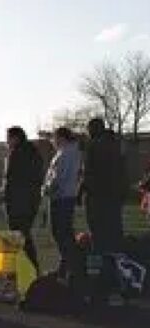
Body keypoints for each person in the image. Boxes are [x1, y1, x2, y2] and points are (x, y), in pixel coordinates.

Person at [80, 118, 126, 256]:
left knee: (98, 236)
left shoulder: (93, 145)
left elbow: (88, 172)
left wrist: (81, 191)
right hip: (115, 195)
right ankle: (119, 266)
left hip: (97, 197)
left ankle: (98, 269)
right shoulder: (117, 145)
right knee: (115, 232)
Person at [2, 126, 44, 269]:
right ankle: (28, 267)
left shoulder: (17, 154)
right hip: (30, 200)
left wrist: (7, 195)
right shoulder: (34, 153)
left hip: (18, 202)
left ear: (15, 138)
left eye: (8, 138)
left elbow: (11, 178)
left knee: (19, 236)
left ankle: (30, 267)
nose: (7, 141)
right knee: (23, 234)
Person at [42, 127, 81, 278]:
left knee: (60, 233)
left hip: (61, 197)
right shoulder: (71, 152)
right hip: (66, 196)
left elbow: (58, 177)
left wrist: (47, 189)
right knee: (65, 233)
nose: (53, 141)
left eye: (55, 138)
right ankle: (66, 268)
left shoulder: (65, 154)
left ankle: (72, 268)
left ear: (62, 138)